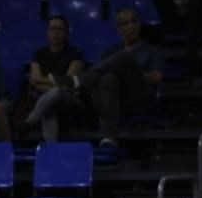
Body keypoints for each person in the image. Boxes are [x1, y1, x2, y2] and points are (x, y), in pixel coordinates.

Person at [52, 8, 165, 148]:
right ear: (119, 29)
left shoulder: (153, 50)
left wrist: (129, 72)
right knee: (108, 78)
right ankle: (109, 138)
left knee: (126, 57)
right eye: (125, 23)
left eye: (134, 21)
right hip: (112, 99)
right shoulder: (110, 51)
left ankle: (78, 80)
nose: (131, 26)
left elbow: (157, 77)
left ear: (140, 24)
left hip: (140, 98)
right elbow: (100, 79)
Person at [22, 16, 86, 142]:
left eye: (59, 29)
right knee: (52, 100)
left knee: (58, 92)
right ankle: (51, 147)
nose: (55, 32)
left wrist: (56, 85)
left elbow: (69, 83)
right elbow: (35, 82)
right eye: (52, 29)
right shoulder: (39, 53)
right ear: (47, 32)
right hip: (47, 98)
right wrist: (58, 85)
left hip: (71, 102)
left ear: (66, 33)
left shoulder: (76, 53)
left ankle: (30, 121)